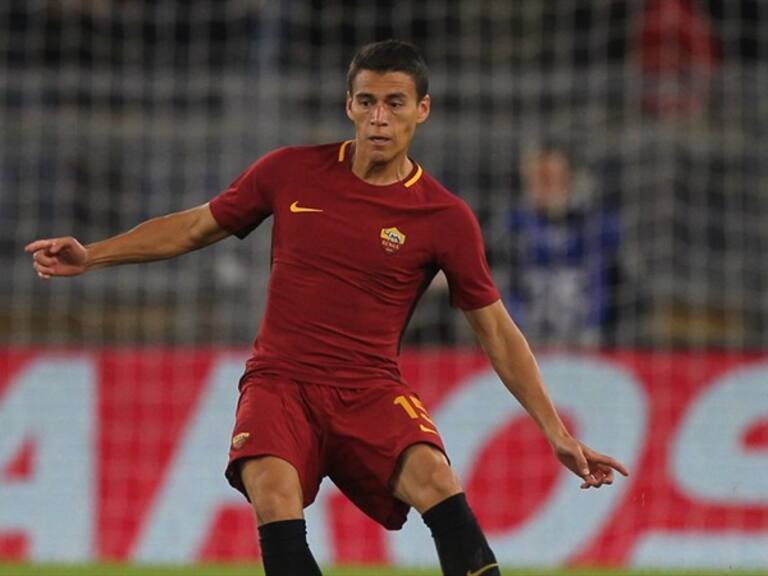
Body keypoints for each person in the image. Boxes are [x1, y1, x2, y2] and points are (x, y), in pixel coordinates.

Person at [25, 40, 628, 576]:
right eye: (366, 101)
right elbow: (193, 228)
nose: (379, 118)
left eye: (395, 103)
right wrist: (93, 256)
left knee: (437, 481)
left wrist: (557, 431)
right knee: (271, 489)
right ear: (348, 106)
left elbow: (496, 331)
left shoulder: (444, 218)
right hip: (280, 382)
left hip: (368, 388)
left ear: (423, 110)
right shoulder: (291, 172)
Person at [507, 144, 622, 348]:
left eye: (550, 179)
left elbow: (617, 281)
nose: (542, 188)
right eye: (536, 179)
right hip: (525, 342)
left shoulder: (597, 226)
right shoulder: (511, 228)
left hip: (590, 342)